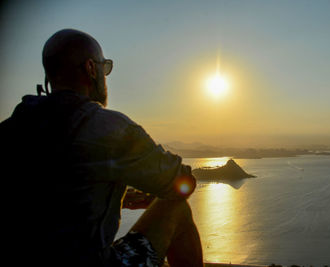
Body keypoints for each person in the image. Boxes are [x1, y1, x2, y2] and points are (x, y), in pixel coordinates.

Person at [0, 29, 203, 267]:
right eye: (104, 67)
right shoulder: (108, 130)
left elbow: (46, 192)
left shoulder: (12, 127)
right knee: (176, 207)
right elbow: (180, 182)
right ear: (90, 68)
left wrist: (120, 197)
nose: (105, 76)